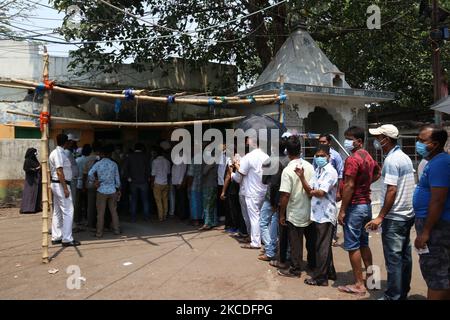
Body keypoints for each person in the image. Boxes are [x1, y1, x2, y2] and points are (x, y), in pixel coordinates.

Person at [365, 124, 415, 300]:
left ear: (386, 139)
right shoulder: (404, 157)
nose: (377, 141)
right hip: (406, 214)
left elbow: (392, 190)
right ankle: (402, 292)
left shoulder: (392, 160)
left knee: (394, 259)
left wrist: (380, 216)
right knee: (404, 257)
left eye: (379, 137)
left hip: (395, 217)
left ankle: (393, 295)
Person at [337, 126, 381, 295]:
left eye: (349, 138)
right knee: (364, 243)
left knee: (353, 245)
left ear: (359, 141)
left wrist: (342, 210)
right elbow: (378, 172)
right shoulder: (368, 156)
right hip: (366, 205)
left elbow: (348, 186)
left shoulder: (352, 159)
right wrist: (366, 184)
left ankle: (359, 284)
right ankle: (372, 280)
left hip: (355, 206)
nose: (347, 141)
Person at [413, 124, 450, 300]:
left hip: (436, 226)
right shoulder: (434, 162)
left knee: (436, 273)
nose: (418, 143)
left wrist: (426, 232)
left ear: (434, 144)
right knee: (440, 272)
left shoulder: (440, 163)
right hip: (433, 223)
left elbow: (438, 199)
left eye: (422, 140)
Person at [296, 144, 338, 286]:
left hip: (326, 214)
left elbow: (321, 193)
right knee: (323, 245)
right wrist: (302, 178)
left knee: (321, 246)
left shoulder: (330, 172)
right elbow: (310, 190)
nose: (320, 158)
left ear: (328, 157)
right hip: (317, 214)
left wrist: (313, 191)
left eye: (322, 156)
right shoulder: (318, 170)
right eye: (317, 156)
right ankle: (330, 272)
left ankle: (321, 278)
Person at [277, 136, 315, 277]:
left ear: (287, 152)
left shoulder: (288, 171)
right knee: (311, 242)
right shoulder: (309, 166)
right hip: (310, 210)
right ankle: (312, 265)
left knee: (296, 243)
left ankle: (295, 269)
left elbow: (285, 195)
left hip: (294, 212)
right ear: (300, 150)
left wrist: (282, 214)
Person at [233, 136, 269, 249]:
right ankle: (263, 240)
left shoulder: (248, 157)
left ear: (253, 144)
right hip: (264, 190)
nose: (246, 144)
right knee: (263, 218)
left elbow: (239, 176)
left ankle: (255, 242)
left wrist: (235, 168)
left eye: (248, 141)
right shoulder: (266, 157)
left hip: (251, 191)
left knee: (253, 217)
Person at [258, 139, 290, 262]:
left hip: (272, 197)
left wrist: (272, 202)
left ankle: (270, 249)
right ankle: (283, 251)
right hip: (286, 197)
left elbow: (265, 181)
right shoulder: (289, 160)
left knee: (264, 222)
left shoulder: (269, 161)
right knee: (282, 225)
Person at [49, 133, 80, 247]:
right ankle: (67, 238)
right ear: (66, 142)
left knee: (57, 211)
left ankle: (57, 236)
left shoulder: (58, 152)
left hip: (58, 184)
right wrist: (65, 188)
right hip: (61, 184)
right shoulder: (58, 154)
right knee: (68, 210)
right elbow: (59, 171)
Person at [88, 145, 121, 238]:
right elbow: (117, 179)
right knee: (114, 212)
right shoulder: (114, 164)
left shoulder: (98, 164)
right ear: (110, 154)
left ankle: (99, 233)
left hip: (101, 190)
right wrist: (118, 189)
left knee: (100, 213)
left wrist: (94, 181)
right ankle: (117, 230)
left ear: (102, 154)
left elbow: (90, 174)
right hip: (112, 190)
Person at [318, 133, 344, 246]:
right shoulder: (318, 155)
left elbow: (340, 174)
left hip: (332, 189)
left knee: (331, 211)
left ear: (329, 142)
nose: (322, 144)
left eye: (324, 142)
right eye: (320, 142)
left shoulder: (336, 155)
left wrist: (339, 191)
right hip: (320, 188)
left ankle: (332, 236)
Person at [123, 143, 151, 222]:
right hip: (144, 181)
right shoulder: (145, 156)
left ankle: (133, 218)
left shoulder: (129, 156)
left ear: (134, 148)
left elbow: (125, 169)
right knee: (145, 200)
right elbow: (149, 169)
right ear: (141, 148)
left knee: (133, 200)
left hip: (133, 182)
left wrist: (128, 178)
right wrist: (148, 177)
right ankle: (146, 217)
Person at [83, 141, 101, 231]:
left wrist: (84, 185)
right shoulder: (101, 159)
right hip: (100, 184)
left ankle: (90, 223)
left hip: (90, 183)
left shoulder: (87, 159)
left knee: (90, 205)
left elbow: (85, 174)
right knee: (100, 205)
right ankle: (99, 223)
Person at [151, 147, 171, 221]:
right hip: (165, 183)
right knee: (165, 200)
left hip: (157, 183)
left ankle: (160, 216)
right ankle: (165, 215)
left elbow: (153, 174)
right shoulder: (167, 161)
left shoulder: (155, 161)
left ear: (156, 153)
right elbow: (168, 173)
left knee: (158, 201)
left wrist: (152, 183)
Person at [74, 144, 92, 227]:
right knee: (88, 203)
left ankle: (77, 219)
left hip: (78, 183)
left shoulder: (77, 160)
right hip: (88, 183)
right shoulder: (91, 160)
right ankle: (87, 219)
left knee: (78, 203)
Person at [20, 148, 42, 214]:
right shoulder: (27, 160)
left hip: (36, 180)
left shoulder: (34, 160)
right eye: (35, 153)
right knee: (29, 194)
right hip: (30, 181)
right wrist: (35, 169)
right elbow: (26, 169)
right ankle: (27, 209)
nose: (36, 154)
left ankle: (35, 208)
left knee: (36, 194)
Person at [199, 161, 218, 231]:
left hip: (209, 185)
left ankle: (207, 223)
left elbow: (204, 171)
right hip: (213, 185)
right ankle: (213, 222)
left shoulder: (211, 161)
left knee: (207, 205)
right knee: (213, 205)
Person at [171, 151, 188, 219]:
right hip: (175, 182)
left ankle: (182, 215)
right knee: (178, 199)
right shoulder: (176, 160)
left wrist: (180, 182)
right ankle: (179, 213)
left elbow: (183, 172)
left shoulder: (182, 160)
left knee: (181, 199)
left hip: (179, 183)